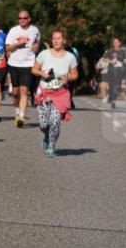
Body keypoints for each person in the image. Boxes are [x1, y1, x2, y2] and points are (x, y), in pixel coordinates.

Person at [32, 28, 78, 157]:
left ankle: (51, 146)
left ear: (64, 41)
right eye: (54, 38)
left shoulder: (70, 57)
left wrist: (68, 77)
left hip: (60, 94)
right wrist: (42, 73)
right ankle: (46, 136)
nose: (56, 41)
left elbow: (75, 74)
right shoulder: (44, 54)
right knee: (43, 124)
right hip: (44, 92)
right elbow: (34, 69)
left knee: (55, 122)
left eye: (58, 38)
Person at [5, 10, 41, 127]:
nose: (22, 20)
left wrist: (37, 46)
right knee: (15, 93)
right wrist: (17, 44)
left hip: (28, 63)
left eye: (24, 18)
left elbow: (37, 42)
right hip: (14, 63)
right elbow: (8, 48)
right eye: (20, 18)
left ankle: (21, 116)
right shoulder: (13, 31)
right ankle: (17, 111)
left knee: (24, 91)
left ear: (29, 19)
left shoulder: (35, 30)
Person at [96, 38, 126, 109]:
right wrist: (111, 61)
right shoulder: (110, 51)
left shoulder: (123, 52)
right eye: (114, 42)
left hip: (119, 72)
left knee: (117, 87)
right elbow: (103, 59)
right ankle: (110, 98)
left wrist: (125, 62)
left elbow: (125, 60)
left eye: (117, 42)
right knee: (111, 86)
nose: (115, 43)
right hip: (111, 71)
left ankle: (113, 101)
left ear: (120, 43)